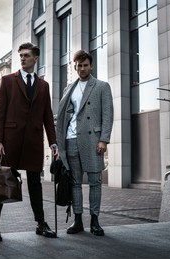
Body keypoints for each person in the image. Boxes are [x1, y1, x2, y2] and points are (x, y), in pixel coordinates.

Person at [0, 42, 58, 242]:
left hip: (33, 142)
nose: (22, 58)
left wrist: (53, 142)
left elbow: (47, 115)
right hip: (9, 142)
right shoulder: (8, 81)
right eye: (20, 55)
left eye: (26, 55)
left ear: (35, 58)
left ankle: (40, 223)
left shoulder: (43, 86)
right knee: (2, 184)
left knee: (35, 184)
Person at [56, 50, 113, 236]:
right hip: (71, 140)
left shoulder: (102, 86)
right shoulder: (68, 89)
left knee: (95, 181)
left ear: (91, 65)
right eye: (78, 66)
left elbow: (108, 115)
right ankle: (78, 220)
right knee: (75, 183)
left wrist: (104, 139)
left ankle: (95, 221)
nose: (82, 68)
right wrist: (59, 143)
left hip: (93, 140)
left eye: (85, 65)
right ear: (75, 66)